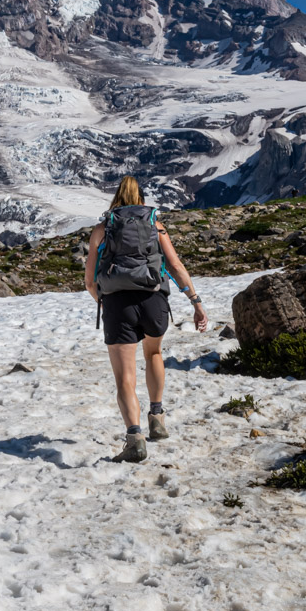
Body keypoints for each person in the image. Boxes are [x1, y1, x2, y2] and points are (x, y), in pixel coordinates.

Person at [84, 176, 208, 463]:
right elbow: (175, 266)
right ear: (141, 199)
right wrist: (196, 303)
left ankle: (135, 439)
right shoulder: (155, 225)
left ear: (116, 197)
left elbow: (90, 282)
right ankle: (157, 417)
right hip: (154, 301)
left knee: (124, 377)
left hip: (117, 304)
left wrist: (106, 302)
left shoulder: (102, 230)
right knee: (154, 353)